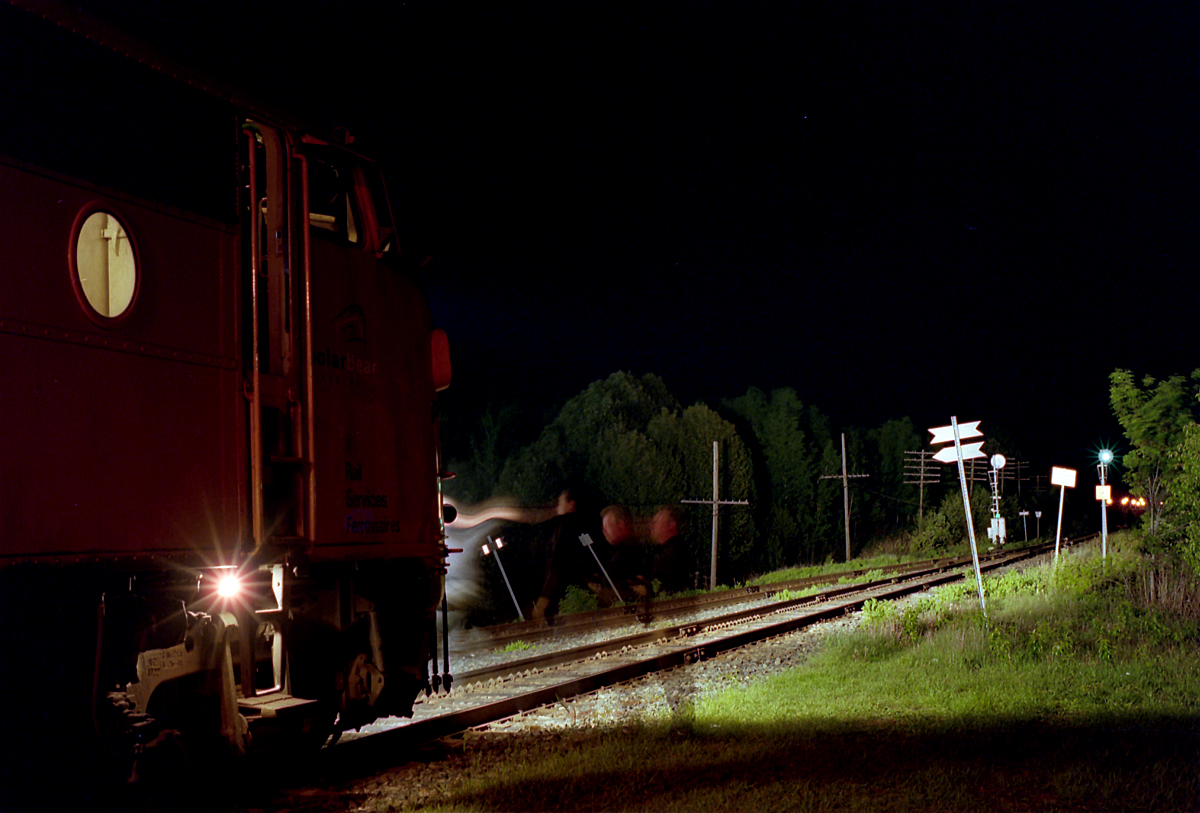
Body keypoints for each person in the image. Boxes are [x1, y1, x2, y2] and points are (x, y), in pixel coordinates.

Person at [648, 506, 692, 595]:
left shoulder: (676, 553)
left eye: (656, 522)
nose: (652, 526)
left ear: (671, 525)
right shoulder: (662, 550)